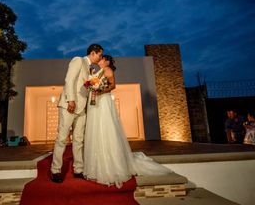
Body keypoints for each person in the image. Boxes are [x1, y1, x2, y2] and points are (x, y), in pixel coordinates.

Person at [83, 55, 172, 188]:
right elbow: (92, 82)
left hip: (104, 101)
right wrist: (91, 85)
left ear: (106, 61)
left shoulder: (108, 70)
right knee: (96, 128)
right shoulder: (97, 71)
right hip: (96, 102)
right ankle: (96, 162)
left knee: (106, 127)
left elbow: (113, 86)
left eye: (102, 59)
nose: (100, 61)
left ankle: (112, 163)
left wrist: (100, 90)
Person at [50, 44, 104, 183]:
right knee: (62, 138)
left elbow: (85, 87)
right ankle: (55, 170)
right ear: (93, 52)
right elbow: (69, 80)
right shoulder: (78, 60)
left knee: (79, 139)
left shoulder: (91, 68)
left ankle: (78, 169)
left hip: (82, 109)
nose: (101, 57)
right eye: (100, 55)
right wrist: (71, 100)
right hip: (69, 106)